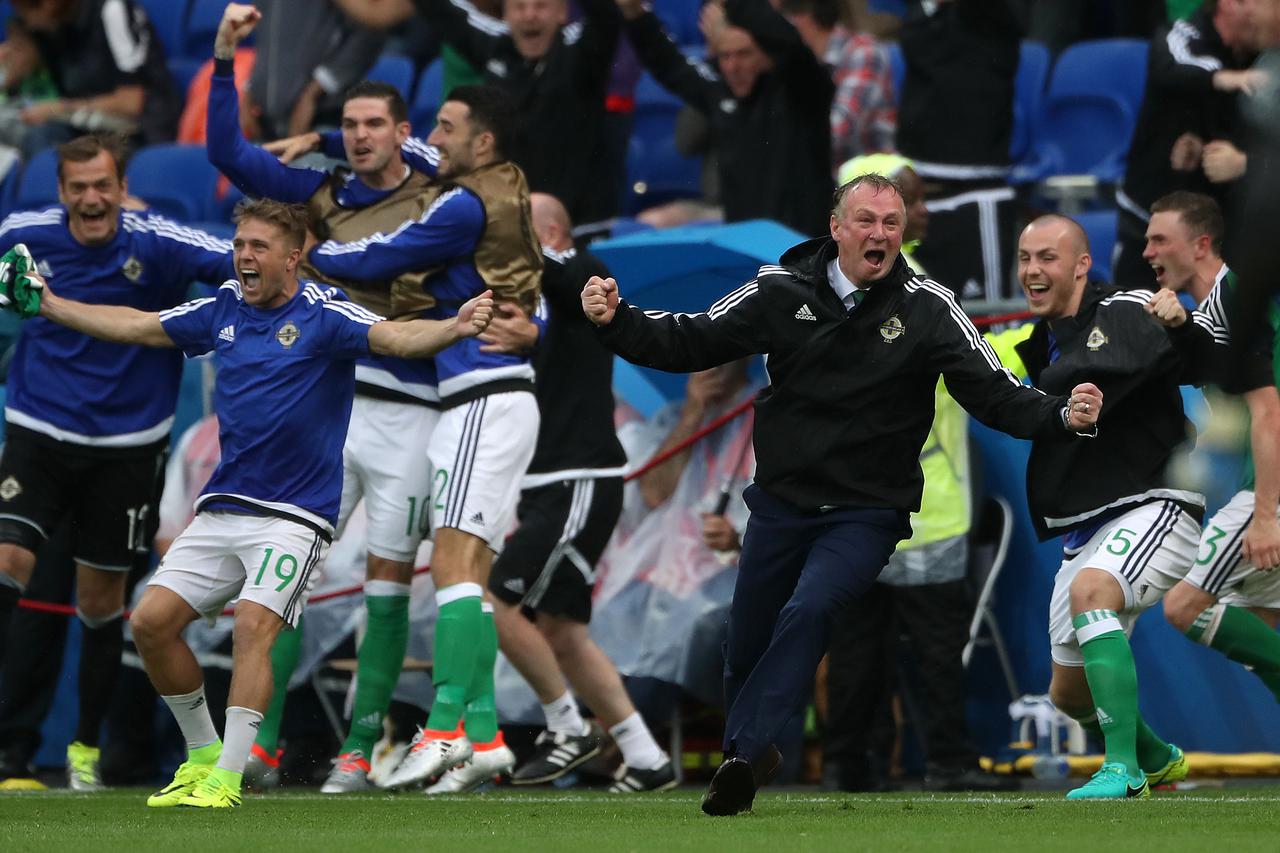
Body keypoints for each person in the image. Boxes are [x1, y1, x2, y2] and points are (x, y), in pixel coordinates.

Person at [581, 173, 1103, 816]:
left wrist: (1061, 417)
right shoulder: (777, 291)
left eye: (891, 222)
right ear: (836, 228)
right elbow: (690, 339)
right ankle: (756, 749)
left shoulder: (929, 307)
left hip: (866, 511)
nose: (881, 234)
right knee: (743, 645)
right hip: (779, 504)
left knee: (811, 609)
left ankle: (741, 759)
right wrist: (617, 321)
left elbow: (995, 394)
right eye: (866, 220)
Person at [0, 197, 494, 808]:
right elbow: (138, 325)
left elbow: (393, 338)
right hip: (226, 504)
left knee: (254, 630)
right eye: (238, 246)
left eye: (258, 247)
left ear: (293, 258)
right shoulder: (222, 306)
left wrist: (453, 328)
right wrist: (49, 305)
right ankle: (205, 755)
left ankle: (229, 780)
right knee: (151, 624)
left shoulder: (325, 313)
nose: (244, 257)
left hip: (296, 515)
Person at [208, 3, 448, 794]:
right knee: (281, 582)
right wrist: (221, 62)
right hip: (334, 411)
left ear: (402, 130)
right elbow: (227, 152)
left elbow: (464, 162)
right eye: (348, 123)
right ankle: (265, 743)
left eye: (375, 124)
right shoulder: (321, 194)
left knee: (386, 585)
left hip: (413, 410)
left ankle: (359, 746)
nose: (359, 135)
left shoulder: (443, 197)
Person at [291, 85, 545, 791]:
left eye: (447, 127)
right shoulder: (505, 188)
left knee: (455, 567)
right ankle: (487, 734)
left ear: (482, 142)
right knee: (467, 572)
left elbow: (381, 256)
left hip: (479, 395)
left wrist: (313, 256)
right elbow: (530, 273)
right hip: (482, 395)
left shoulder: (463, 201)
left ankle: (442, 727)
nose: (436, 137)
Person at [0, 132, 232, 788]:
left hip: (129, 445)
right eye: (78, 188)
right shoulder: (22, 230)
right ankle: (7, 746)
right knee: (7, 562)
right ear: (62, 192)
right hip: (38, 429)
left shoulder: (159, 239)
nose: (92, 198)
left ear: (122, 187)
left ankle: (83, 751)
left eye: (104, 185)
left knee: (101, 602)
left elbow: (241, 262)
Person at [474, 192, 675, 794]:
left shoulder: (586, 276)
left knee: (497, 600)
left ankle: (566, 727)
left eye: (520, 229)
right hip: (548, 482)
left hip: (578, 478)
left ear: (553, 233)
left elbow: (582, 279)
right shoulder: (534, 305)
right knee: (562, 630)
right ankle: (645, 758)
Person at [1010, 213, 1214, 800]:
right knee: (1069, 695)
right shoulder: (1039, 343)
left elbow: (1194, 357)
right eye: (1025, 258)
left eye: (1048, 257)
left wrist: (1181, 325)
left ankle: (1121, 771)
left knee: (1092, 591)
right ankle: (1156, 757)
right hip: (1086, 526)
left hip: (1158, 503)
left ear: (1081, 265)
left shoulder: (1127, 305)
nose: (1032, 270)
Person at [822, 152, 1008, 793]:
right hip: (924, 503)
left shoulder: (825, 286)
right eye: (915, 198)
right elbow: (977, 375)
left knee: (856, 645)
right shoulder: (921, 291)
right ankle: (948, 763)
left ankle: (853, 767)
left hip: (849, 506)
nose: (924, 210)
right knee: (933, 647)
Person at [1140, 192, 1280, 698]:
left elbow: (1269, 408)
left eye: (1159, 240)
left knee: (1183, 605)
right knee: (1258, 640)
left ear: (1200, 245)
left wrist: (1266, 515)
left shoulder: (1238, 300)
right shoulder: (1214, 309)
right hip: (1260, 478)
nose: (1147, 252)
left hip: (1271, 489)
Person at [617, 0, 834, 236]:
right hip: (745, 242)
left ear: (766, 55)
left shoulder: (802, 92)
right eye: (725, 56)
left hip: (802, 246)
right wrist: (636, 14)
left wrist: (735, 4)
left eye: (744, 54)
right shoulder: (720, 95)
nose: (733, 66)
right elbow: (669, 65)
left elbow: (788, 43)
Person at [1112, 0, 1260, 287]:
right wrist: (1224, 77)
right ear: (1229, 4)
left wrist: (1243, 162)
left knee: (1226, 320)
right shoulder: (1185, 34)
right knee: (1131, 314)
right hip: (1150, 211)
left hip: (1222, 221)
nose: (1262, 11)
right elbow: (1168, 63)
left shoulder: (1263, 55)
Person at [895, 0, 1021, 300]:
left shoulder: (994, 17)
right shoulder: (925, 18)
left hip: (976, 194)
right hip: (921, 193)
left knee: (985, 319)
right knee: (921, 315)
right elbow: (912, 40)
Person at [0, 0, 181, 157]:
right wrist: (12, 75)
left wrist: (58, 109)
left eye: (23, 11)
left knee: (44, 139)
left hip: (136, 131)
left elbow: (131, 102)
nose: (25, 21)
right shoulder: (50, 28)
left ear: (49, 3)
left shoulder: (112, 9)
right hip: (80, 127)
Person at [777, 0, 895, 170]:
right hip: (818, 178)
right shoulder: (794, 63)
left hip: (866, 183)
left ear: (802, 20)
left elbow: (838, 132)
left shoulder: (863, 52)